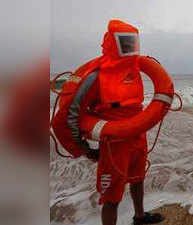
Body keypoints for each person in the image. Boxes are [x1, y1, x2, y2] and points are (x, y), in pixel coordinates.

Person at [68, 20, 164, 225]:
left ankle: (139, 217)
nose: (129, 47)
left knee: (138, 179)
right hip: (114, 142)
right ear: (112, 43)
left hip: (138, 135)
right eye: (124, 42)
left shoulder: (136, 68)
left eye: (132, 42)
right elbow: (74, 112)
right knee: (111, 196)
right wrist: (84, 147)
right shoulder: (96, 76)